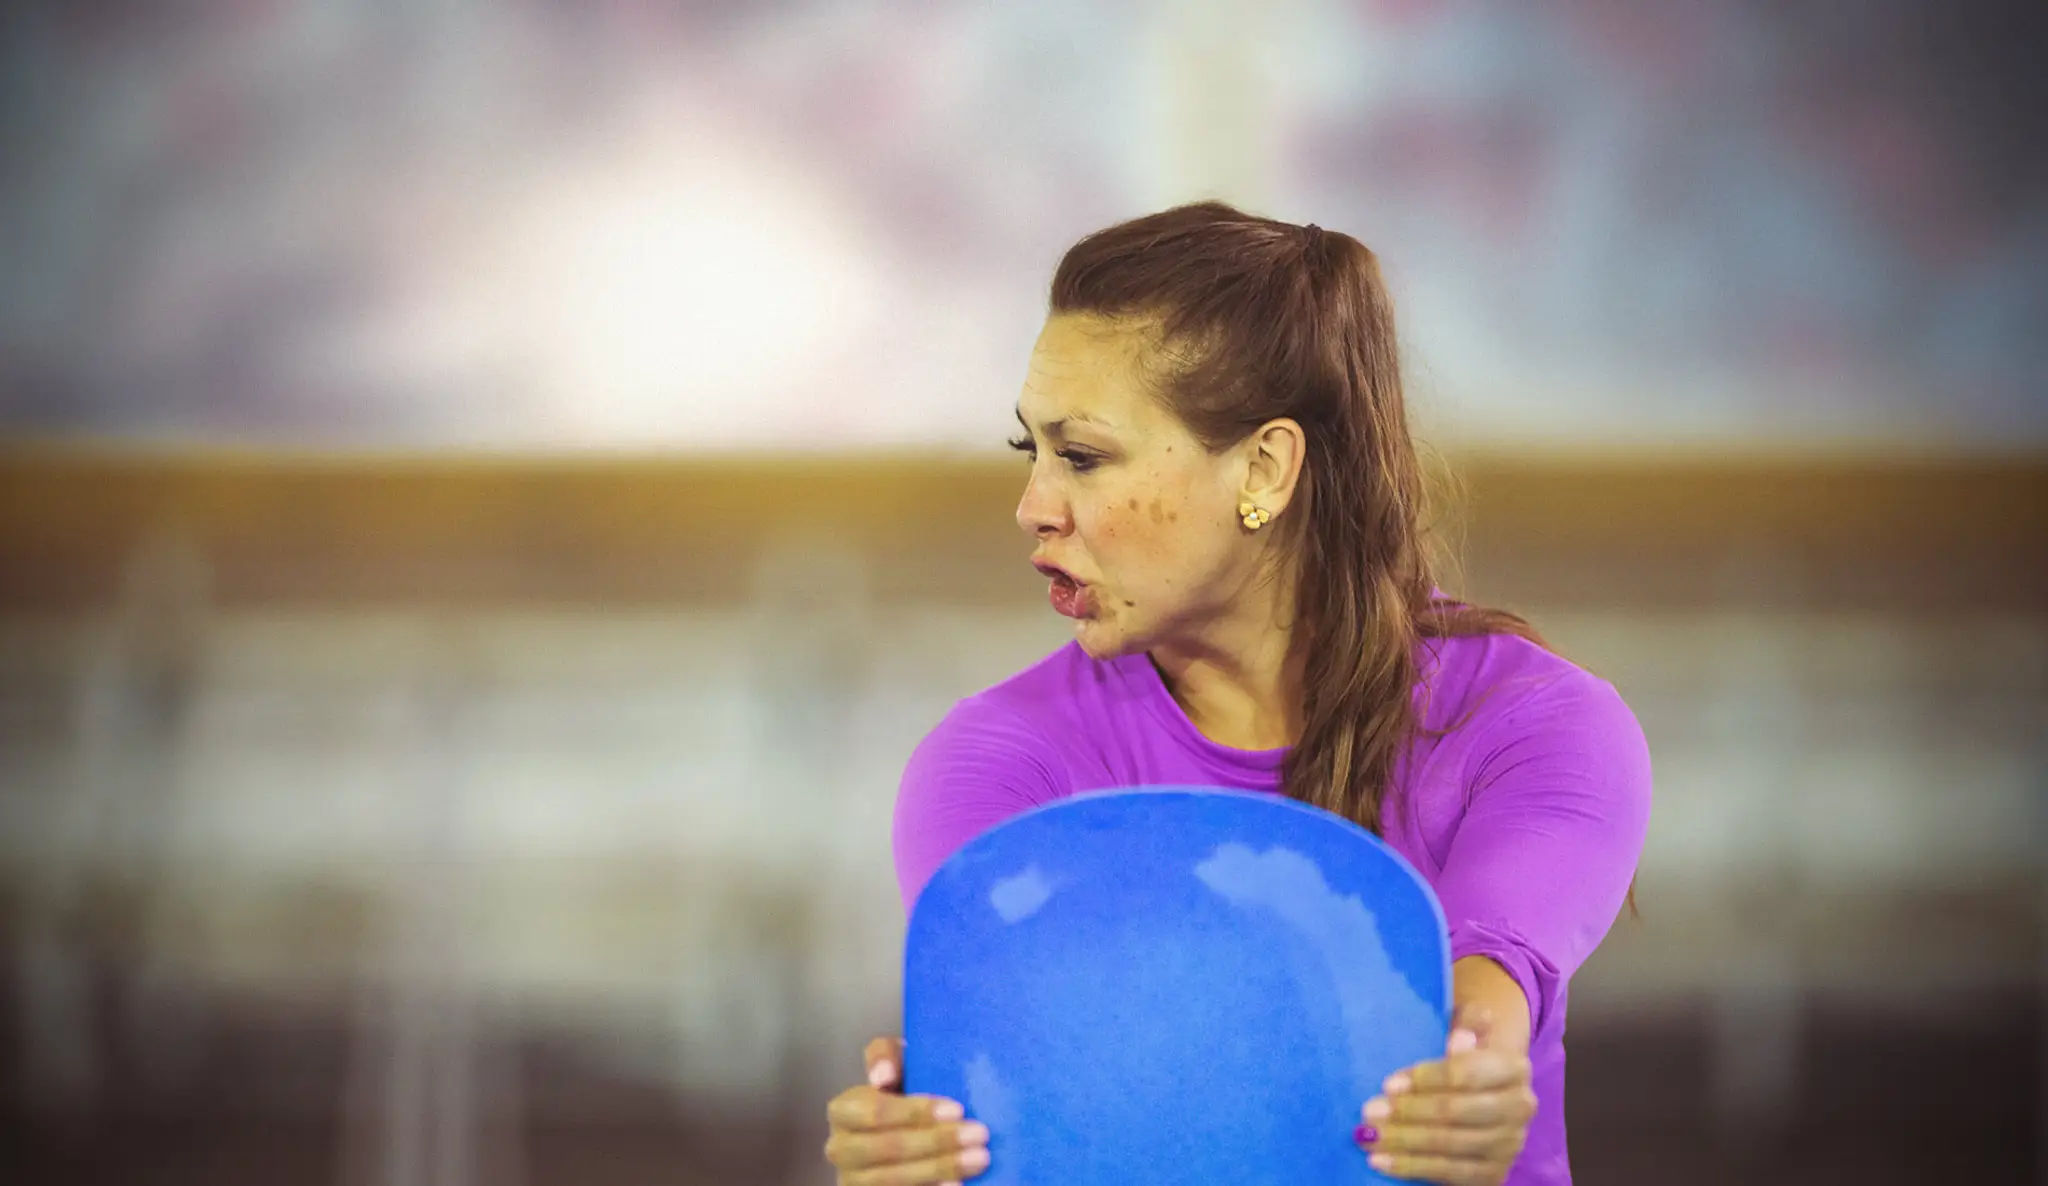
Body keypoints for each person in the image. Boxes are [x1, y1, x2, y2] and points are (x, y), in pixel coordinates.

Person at [822, 202, 1651, 1186]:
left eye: (1080, 455)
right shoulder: (995, 761)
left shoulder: (1537, 724)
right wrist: (926, 1150)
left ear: (1262, 469)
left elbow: (1479, 998)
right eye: (1028, 452)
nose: (1032, 505)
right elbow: (1027, 1078)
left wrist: (1462, 1089)